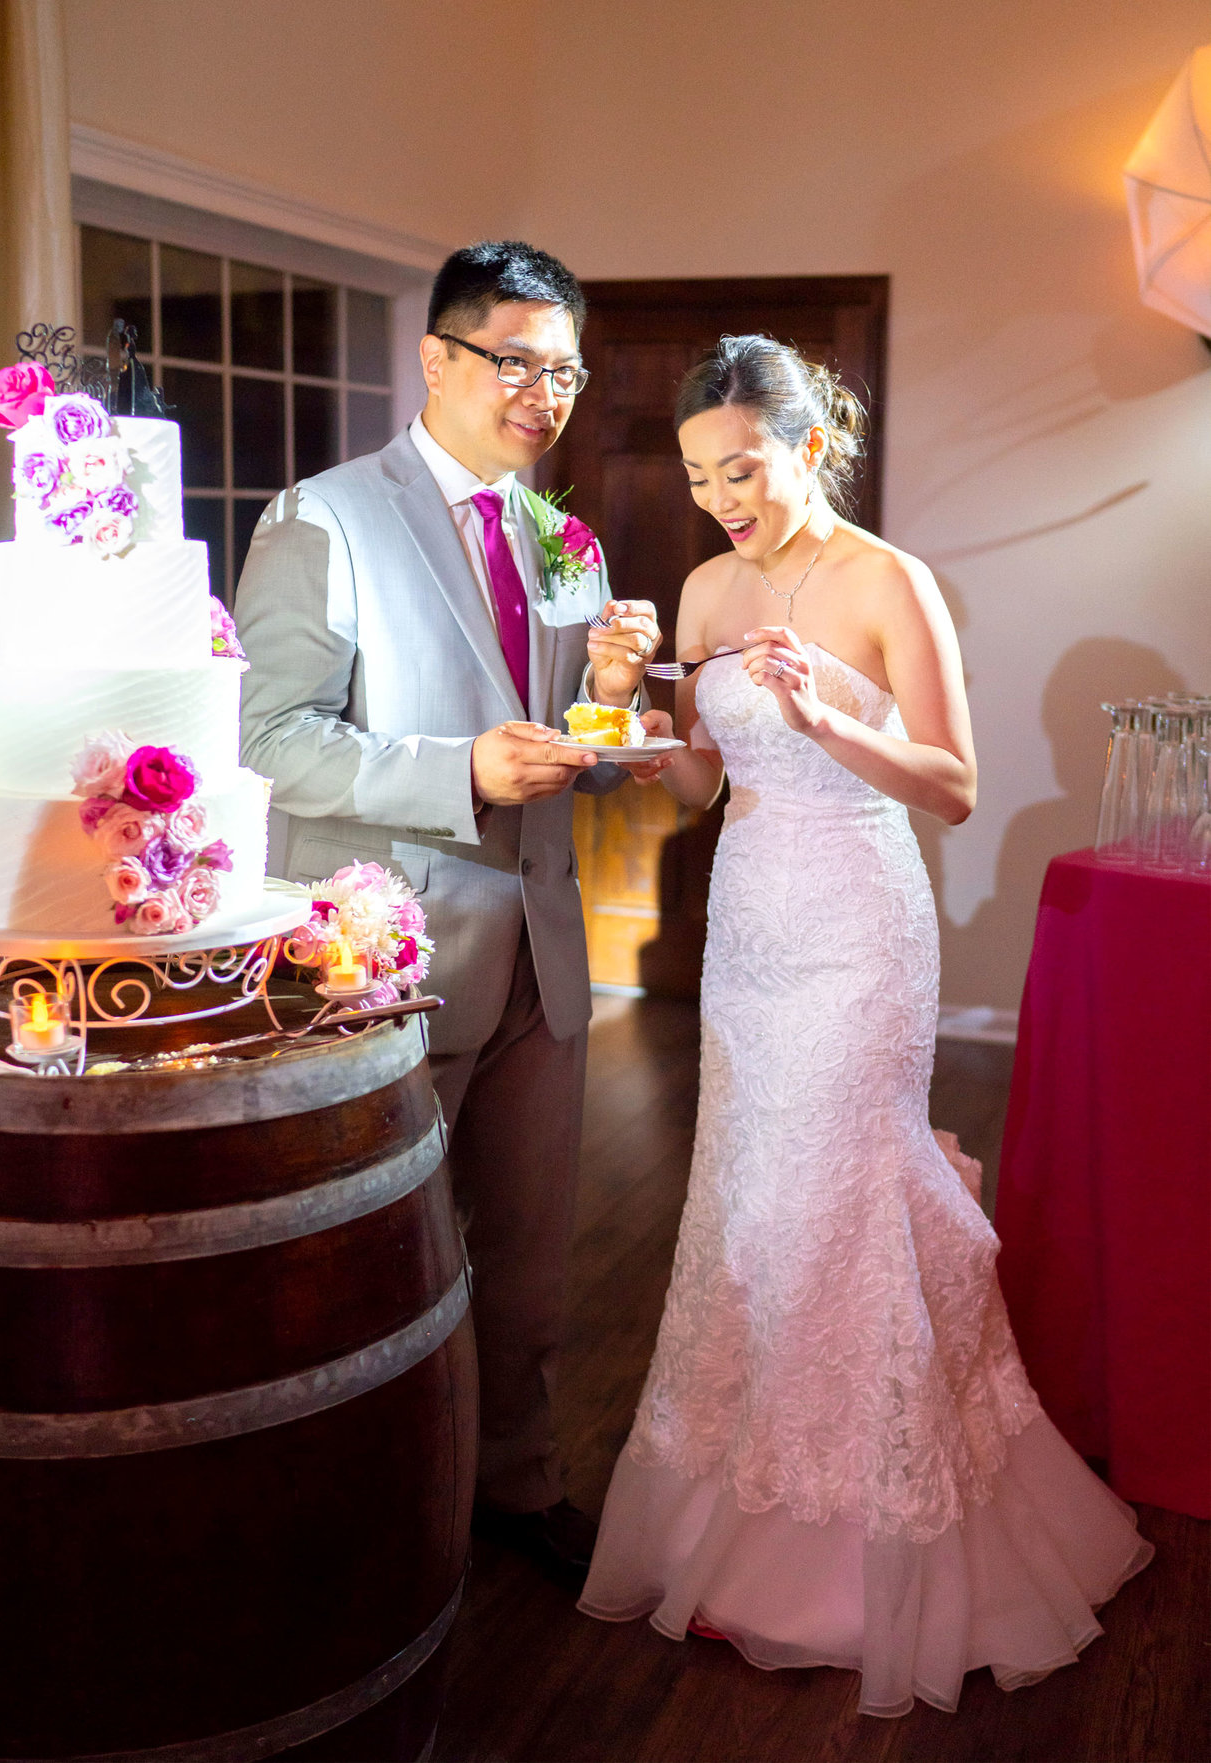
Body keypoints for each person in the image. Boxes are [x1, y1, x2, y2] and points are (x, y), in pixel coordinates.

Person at [577, 333, 1151, 1714]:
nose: (725, 497)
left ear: (811, 444)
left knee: (838, 1203)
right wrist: (612, 696)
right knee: (752, 1207)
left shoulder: (890, 584)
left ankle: (861, 1555)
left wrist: (829, 716)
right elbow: (693, 789)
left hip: (857, 918)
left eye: (748, 467)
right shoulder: (711, 583)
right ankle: (744, 1528)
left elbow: (951, 785)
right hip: (752, 921)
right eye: (705, 473)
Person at [235, 241, 668, 1582]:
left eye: (567, 369)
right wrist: (458, 770)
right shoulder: (324, 518)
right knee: (378, 1262)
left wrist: (614, 693)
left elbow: (572, 741)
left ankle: (517, 1479)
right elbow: (268, 742)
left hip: (545, 944)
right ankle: (372, 1504)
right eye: (518, 360)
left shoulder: (563, 532)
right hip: (395, 951)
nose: (547, 390)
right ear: (439, 359)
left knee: (536, 1257)